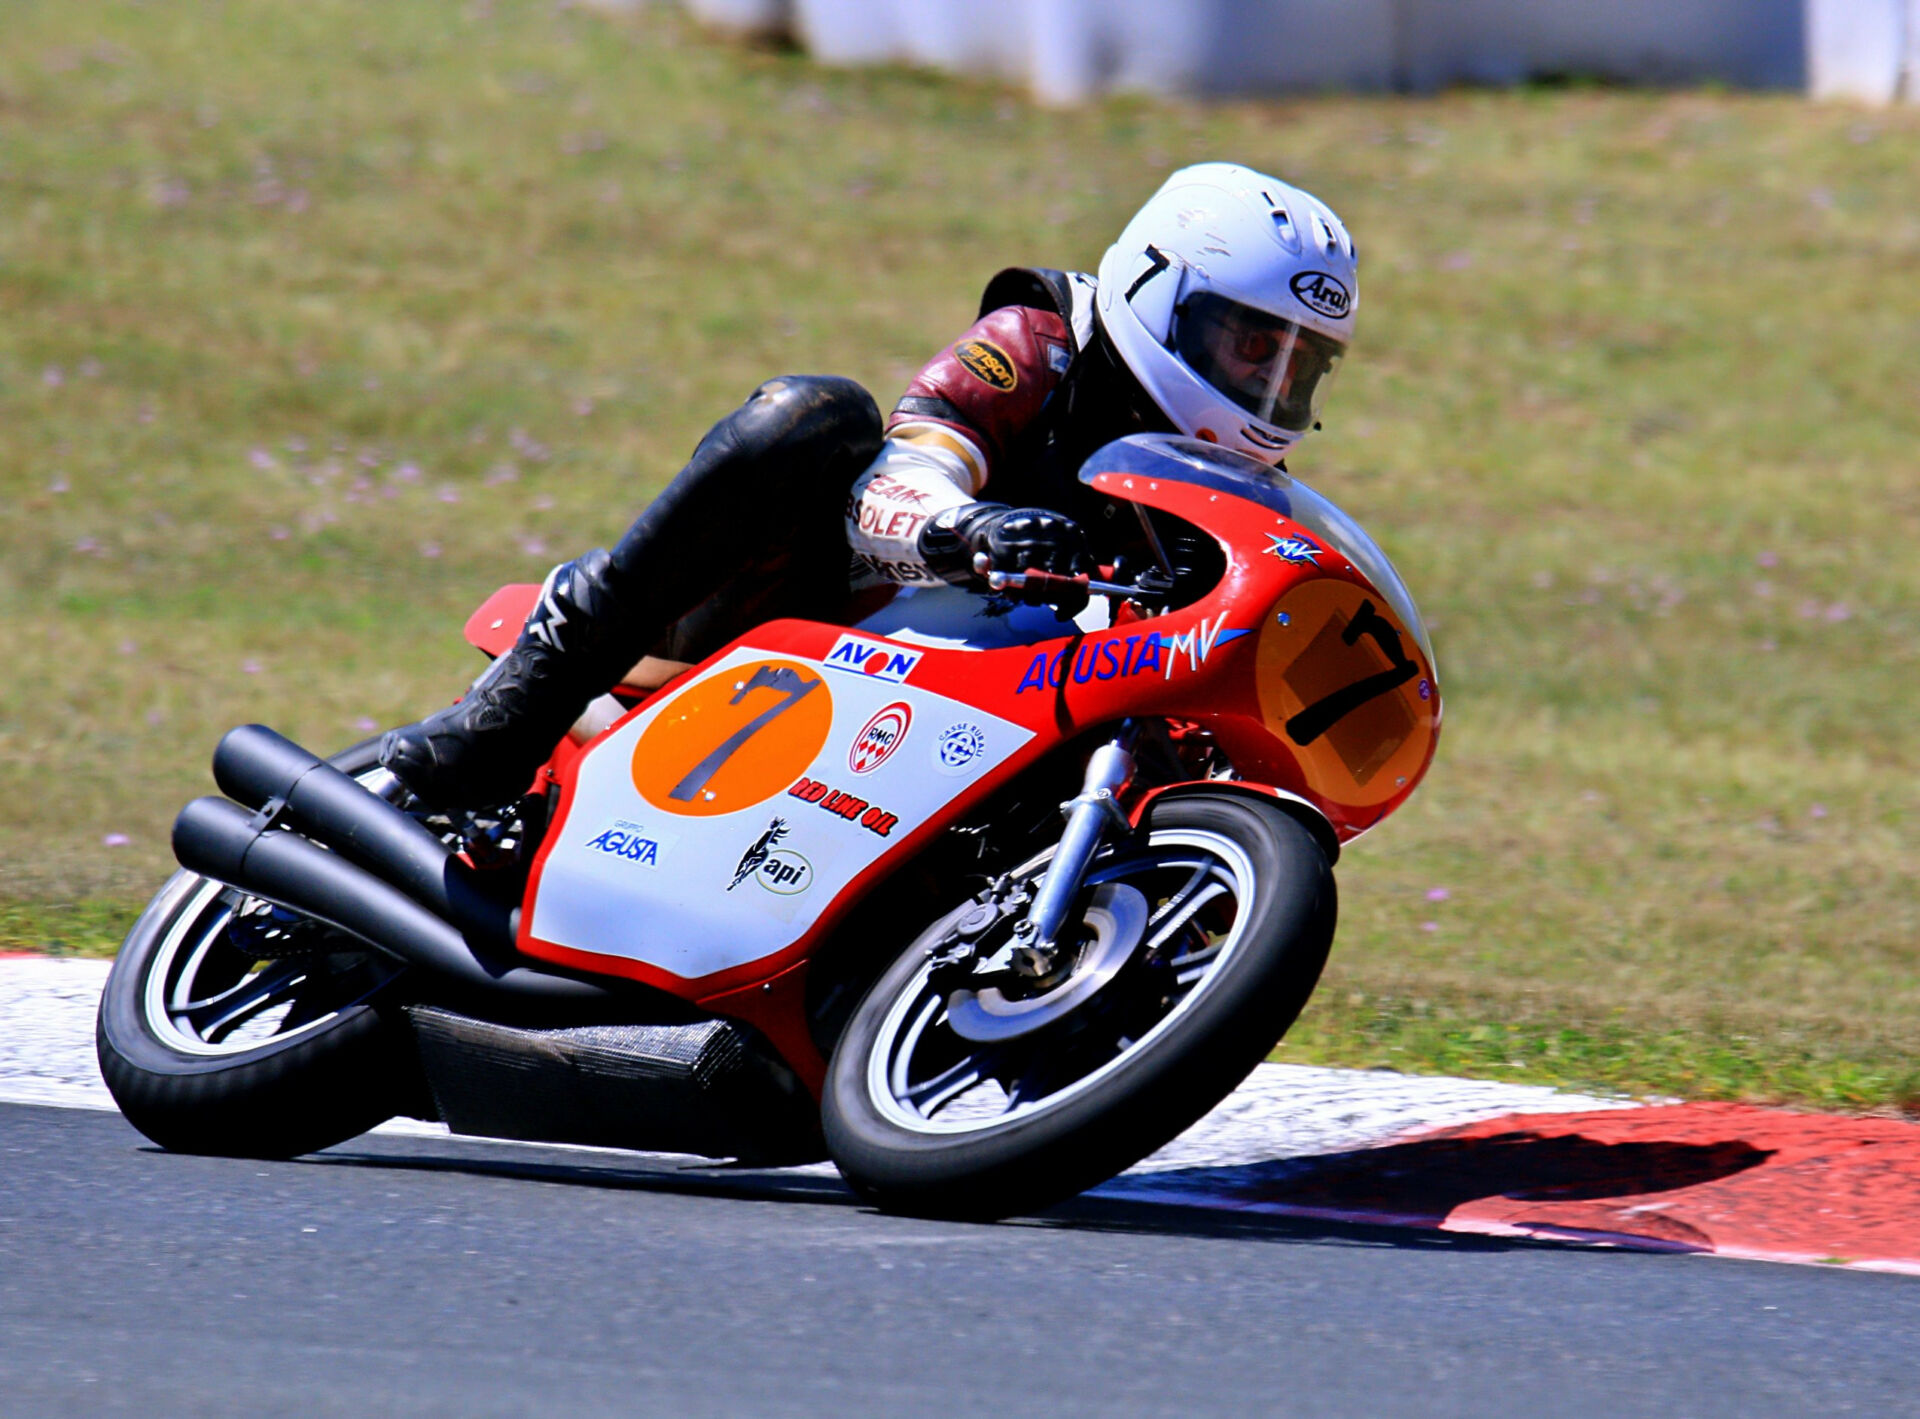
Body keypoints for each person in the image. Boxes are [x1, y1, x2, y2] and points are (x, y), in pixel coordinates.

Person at [379, 162, 1359, 809]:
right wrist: (966, 529)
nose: (1267, 390)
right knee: (815, 419)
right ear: (1158, 291)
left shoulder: (1221, 493)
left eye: (1296, 366)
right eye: (1247, 345)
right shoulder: (1046, 344)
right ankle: (511, 714)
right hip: (810, 630)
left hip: (977, 731)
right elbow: (908, 464)